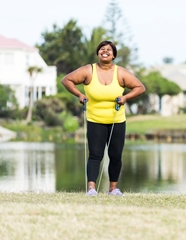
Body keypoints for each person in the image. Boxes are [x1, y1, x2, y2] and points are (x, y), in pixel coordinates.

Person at [61, 40, 146, 196]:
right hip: (95, 120)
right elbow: (66, 80)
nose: (105, 51)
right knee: (95, 155)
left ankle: (113, 189)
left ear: (113, 55)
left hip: (117, 120)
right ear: (98, 53)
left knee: (115, 155)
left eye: (109, 49)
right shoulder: (89, 70)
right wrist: (80, 94)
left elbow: (140, 87)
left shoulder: (120, 72)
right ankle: (91, 188)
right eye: (102, 49)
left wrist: (125, 97)